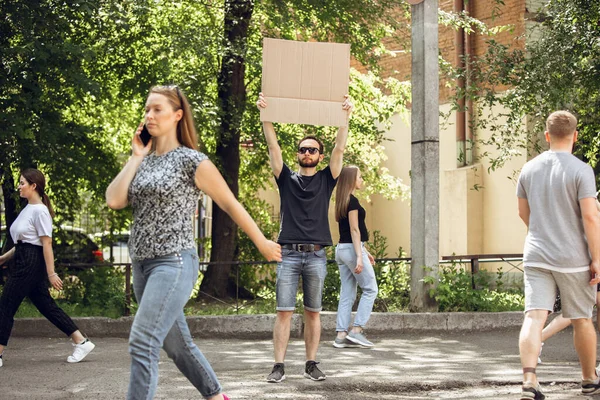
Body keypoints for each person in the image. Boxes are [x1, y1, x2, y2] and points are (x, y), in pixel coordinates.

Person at [106, 85, 282, 400]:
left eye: (157, 109)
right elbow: (115, 200)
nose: (149, 115)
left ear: (177, 115)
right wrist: (135, 156)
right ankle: (217, 397)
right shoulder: (143, 161)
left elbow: (230, 204)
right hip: (142, 265)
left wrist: (262, 242)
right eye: (147, 109)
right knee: (176, 345)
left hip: (173, 262)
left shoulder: (192, 161)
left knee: (143, 340)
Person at [257, 92, 353, 383]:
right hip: (287, 254)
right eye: (303, 149)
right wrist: (266, 114)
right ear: (298, 153)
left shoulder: (326, 178)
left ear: (319, 156)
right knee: (284, 312)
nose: (307, 153)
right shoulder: (286, 178)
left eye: (312, 150)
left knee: (313, 312)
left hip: (315, 255)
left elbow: (339, 148)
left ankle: (311, 364)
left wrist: (345, 117)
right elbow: (273, 146)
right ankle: (279, 366)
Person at [516, 111, 600, 400]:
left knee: (534, 316)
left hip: (536, 254)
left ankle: (529, 381)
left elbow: (523, 213)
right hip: (573, 258)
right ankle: (589, 379)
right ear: (575, 136)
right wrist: (597, 259)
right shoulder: (581, 170)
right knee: (582, 319)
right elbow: (590, 217)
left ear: (547, 135)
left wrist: (541, 233)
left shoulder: (528, 169)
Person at [0, 168, 95, 368]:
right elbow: (23, 243)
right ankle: (81, 342)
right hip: (25, 258)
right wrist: (3, 258)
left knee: (6, 305)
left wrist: (51, 273)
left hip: (32, 264)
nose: (19, 186)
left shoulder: (40, 211)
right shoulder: (27, 209)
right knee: (45, 305)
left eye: (22, 183)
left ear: (34, 186)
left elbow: (46, 244)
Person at [537, 191, 600, 364]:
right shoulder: (590, 213)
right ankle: (538, 339)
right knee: (576, 312)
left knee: (576, 312)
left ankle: (537, 340)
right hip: (590, 267)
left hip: (584, 266)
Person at [332, 166, 378, 349]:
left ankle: (341, 335)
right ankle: (356, 331)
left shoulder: (342, 201)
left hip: (342, 250)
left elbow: (347, 233)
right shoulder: (352, 202)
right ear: (351, 180)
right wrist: (359, 256)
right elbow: (354, 229)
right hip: (352, 249)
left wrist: (365, 252)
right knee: (370, 289)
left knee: (347, 293)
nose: (361, 180)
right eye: (359, 177)